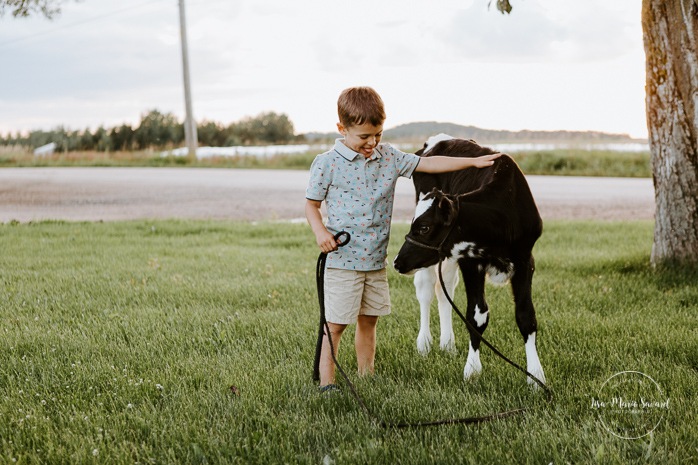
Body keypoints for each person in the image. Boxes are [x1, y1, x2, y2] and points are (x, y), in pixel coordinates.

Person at [305, 86, 500, 392]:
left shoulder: (389, 157)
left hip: (374, 261)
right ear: (342, 129)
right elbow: (311, 205)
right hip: (343, 261)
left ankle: (366, 375)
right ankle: (327, 384)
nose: (372, 143)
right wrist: (321, 232)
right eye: (363, 137)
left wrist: (472, 162)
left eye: (377, 135)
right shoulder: (326, 163)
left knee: (369, 320)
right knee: (337, 324)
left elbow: (429, 164)